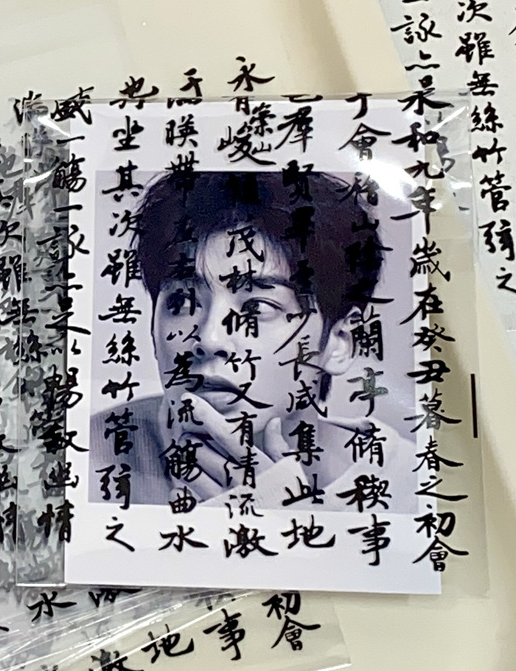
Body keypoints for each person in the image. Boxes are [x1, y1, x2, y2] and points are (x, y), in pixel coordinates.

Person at [89, 167, 413, 514]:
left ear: (339, 341)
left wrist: (279, 518)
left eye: (258, 307)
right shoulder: (89, 458)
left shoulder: (410, 486)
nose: (209, 338)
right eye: (183, 303)